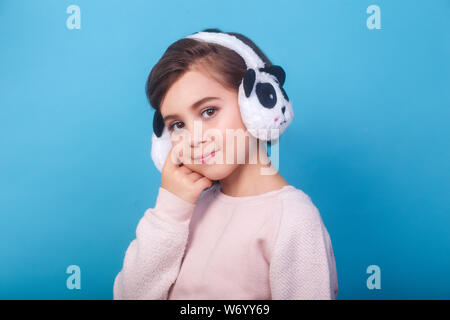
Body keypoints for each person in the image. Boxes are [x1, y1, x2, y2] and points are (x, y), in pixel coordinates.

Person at [113, 28, 338, 300]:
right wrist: (170, 211)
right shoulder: (184, 211)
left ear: (255, 106)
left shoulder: (292, 219)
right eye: (178, 125)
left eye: (209, 111)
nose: (194, 138)